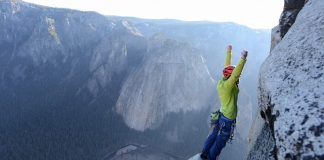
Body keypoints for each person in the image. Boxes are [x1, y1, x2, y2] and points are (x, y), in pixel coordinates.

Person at [200, 45, 248, 160]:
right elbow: (235, 74)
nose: (238, 78)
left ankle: (204, 153)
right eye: (236, 77)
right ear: (231, 77)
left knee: (213, 134)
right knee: (221, 140)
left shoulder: (223, 80)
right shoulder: (228, 86)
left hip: (222, 114)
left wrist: (229, 51)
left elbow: (227, 67)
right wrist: (243, 59)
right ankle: (211, 158)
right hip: (227, 118)